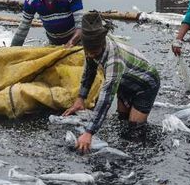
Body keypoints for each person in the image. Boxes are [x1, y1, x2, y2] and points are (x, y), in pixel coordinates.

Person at [63, 11, 160, 153]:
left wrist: (89, 132)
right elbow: (89, 71)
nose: (90, 55)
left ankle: (143, 154)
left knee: (135, 129)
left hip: (145, 84)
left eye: (93, 52)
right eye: (88, 51)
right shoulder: (90, 46)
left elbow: (106, 98)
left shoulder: (114, 59)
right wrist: (80, 99)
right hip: (125, 81)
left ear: (101, 44)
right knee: (122, 121)